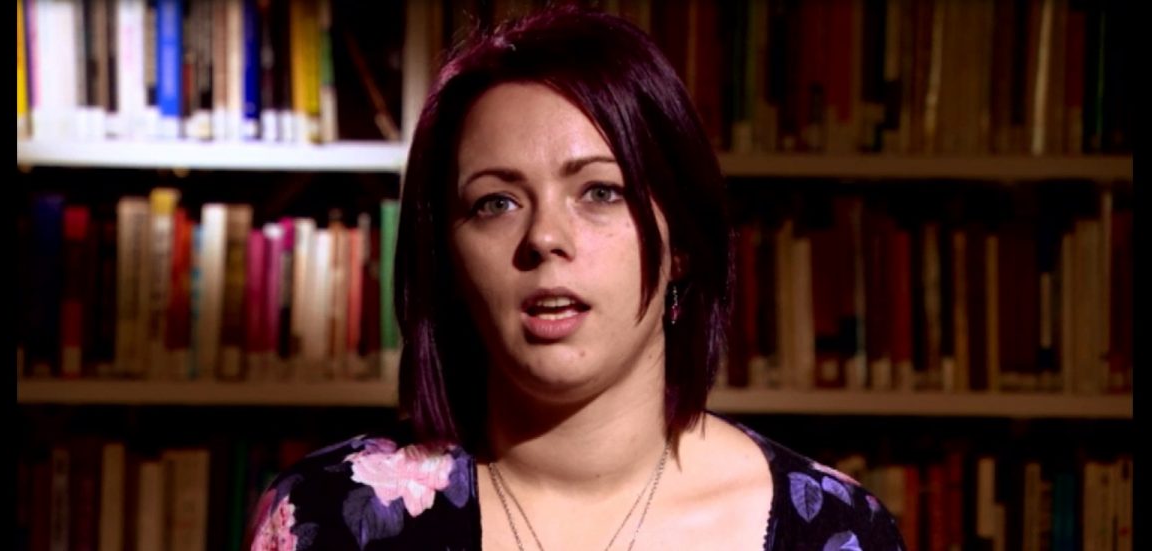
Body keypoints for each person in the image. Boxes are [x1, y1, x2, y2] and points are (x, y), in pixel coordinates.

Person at [246, 5, 906, 550]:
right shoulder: (327, 517)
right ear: (447, 259)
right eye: (495, 202)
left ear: (681, 242)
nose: (544, 237)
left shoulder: (836, 531)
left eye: (600, 192)